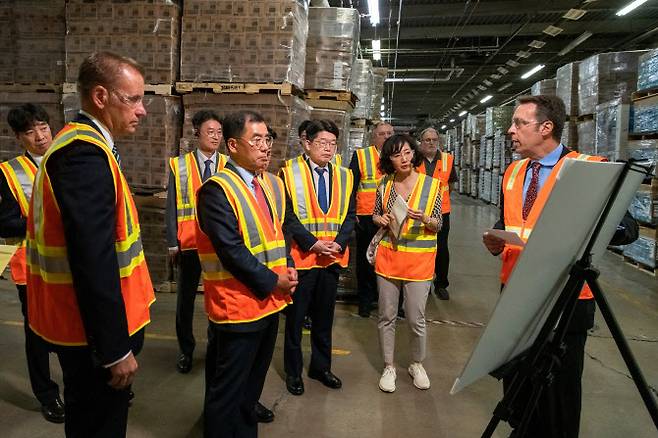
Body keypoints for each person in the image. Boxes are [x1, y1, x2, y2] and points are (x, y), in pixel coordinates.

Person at [482, 94, 638, 438]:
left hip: (564, 300)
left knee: (557, 392)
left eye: (519, 123)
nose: (511, 130)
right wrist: (496, 240)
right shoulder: (513, 171)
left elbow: (627, 229)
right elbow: (510, 222)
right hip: (517, 294)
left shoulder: (588, 168)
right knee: (518, 385)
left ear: (546, 128)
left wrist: (587, 227)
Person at [26, 51, 155, 437]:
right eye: (132, 99)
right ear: (100, 97)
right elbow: (93, 262)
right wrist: (115, 350)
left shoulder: (88, 146)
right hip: (91, 338)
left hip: (89, 331)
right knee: (99, 427)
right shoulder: (83, 155)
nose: (143, 110)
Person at [195, 110, 298, 438]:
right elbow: (231, 250)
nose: (266, 147)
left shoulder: (267, 184)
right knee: (228, 391)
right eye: (257, 140)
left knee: (251, 387)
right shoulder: (217, 190)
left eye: (267, 139)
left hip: (269, 303)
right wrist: (273, 280)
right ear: (232, 145)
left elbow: (278, 233)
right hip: (236, 307)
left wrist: (288, 268)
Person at [280, 119, 356, 396]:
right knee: (296, 321)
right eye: (322, 143)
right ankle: (293, 371)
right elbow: (286, 216)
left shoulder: (345, 175)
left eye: (333, 144)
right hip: (302, 260)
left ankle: (321, 367)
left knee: (325, 319)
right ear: (307, 143)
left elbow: (350, 214)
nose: (328, 149)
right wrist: (312, 244)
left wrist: (338, 242)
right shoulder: (288, 172)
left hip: (331, 259)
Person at [0, 104, 64, 424]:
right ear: (18, 137)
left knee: (75, 328)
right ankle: (47, 394)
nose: (40, 136)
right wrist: (40, 222)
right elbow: (4, 222)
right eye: (30, 132)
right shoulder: (8, 173)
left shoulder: (67, 159)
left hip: (70, 265)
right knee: (36, 333)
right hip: (33, 269)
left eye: (43, 128)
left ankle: (84, 385)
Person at [372, 134, 442, 393]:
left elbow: (438, 225)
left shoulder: (432, 185)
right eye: (397, 154)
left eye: (408, 152)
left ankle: (416, 363)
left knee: (415, 318)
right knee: (387, 316)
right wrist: (379, 220)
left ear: (415, 154)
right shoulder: (384, 185)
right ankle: (388, 366)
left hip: (420, 261)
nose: (404, 158)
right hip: (389, 257)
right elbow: (375, 215)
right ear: (389, 159)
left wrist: (424, 218)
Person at [166, 110, 227, 374]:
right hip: (189, 244)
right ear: (197, 134)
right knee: (185, 302)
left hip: (219, 245)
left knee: (220, 299)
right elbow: (171, 206)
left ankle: (217, 349)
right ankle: (186, 350)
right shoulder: (179, 165)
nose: (215, 137)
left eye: (219, 132)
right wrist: (172, 241)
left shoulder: (228, 163)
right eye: (210, 131)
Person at [349, 121, 394, 317]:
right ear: (374, 137)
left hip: (392, 217)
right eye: (382, 134)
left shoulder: (400, 156)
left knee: (390, 259)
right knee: (365, 260)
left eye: (389, 133)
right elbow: (350, 187)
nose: (386, 137)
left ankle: (388, 302)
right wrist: (352, 213)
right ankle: (365, 301)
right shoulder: (361, 155)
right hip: (366, 217)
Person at [416, 127, 457, 300]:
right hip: (419, 210)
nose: (431, 143)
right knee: (419, 247)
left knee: (441, 249)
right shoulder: (414, 159)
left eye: (434, 140)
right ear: (421, 142)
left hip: (441, 212)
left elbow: (451, 185)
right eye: (427, 140)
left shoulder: (448, 160)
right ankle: (420, 281)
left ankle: (441, 284)